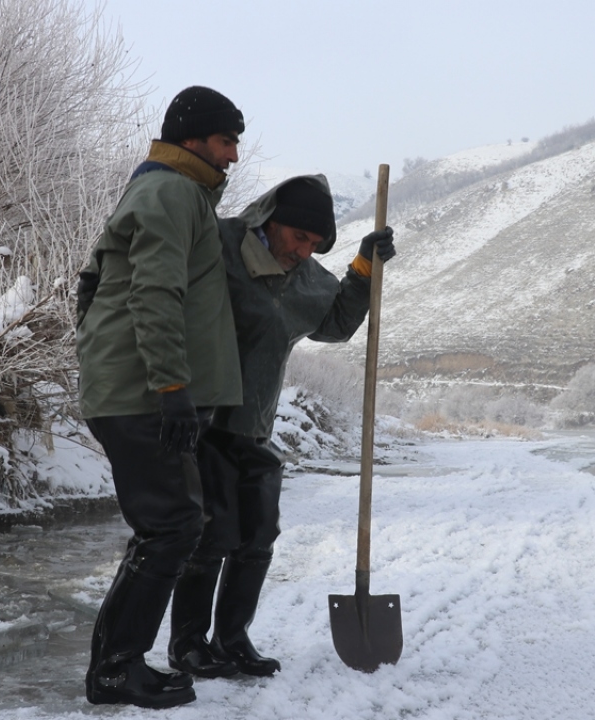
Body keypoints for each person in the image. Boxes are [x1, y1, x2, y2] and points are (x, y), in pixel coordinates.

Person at [166, 175, 396, 679]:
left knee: (258, 534)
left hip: (253, 425)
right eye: (299, 238)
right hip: (201, 420)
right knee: (213, 534)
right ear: (271, 221)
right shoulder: (221, 245)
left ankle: (232, 638)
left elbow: (335, 323)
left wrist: (361, 270)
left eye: (315, 245)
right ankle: (187, 644)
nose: (303, 250)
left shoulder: (310, 280)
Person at [75, 86, 245, 709]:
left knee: (167, 527)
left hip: (133, 388)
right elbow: (153, 292)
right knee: (172, 527)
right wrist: (172, 388)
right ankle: (116, 670)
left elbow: (91, 286)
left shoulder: (169, 190)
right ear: (194, 138)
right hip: (143, 393)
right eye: (227, 141)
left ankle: (116, 665)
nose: (233, 155)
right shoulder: (171, 191)